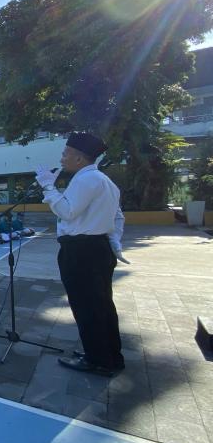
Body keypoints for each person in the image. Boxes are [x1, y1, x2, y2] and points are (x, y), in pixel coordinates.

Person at [36, 132, 126, 376]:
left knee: (87, 306)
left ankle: (98, 360)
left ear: (78, 158)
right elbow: (118, 217)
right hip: (98, 249)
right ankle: (110, 355)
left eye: (66, 153)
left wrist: (47, 186)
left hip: (82, 252)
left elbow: (68, 212)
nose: (62, 157)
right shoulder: (105, 181)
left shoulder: (86, 180)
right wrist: (114, 243)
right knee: (102, 305)